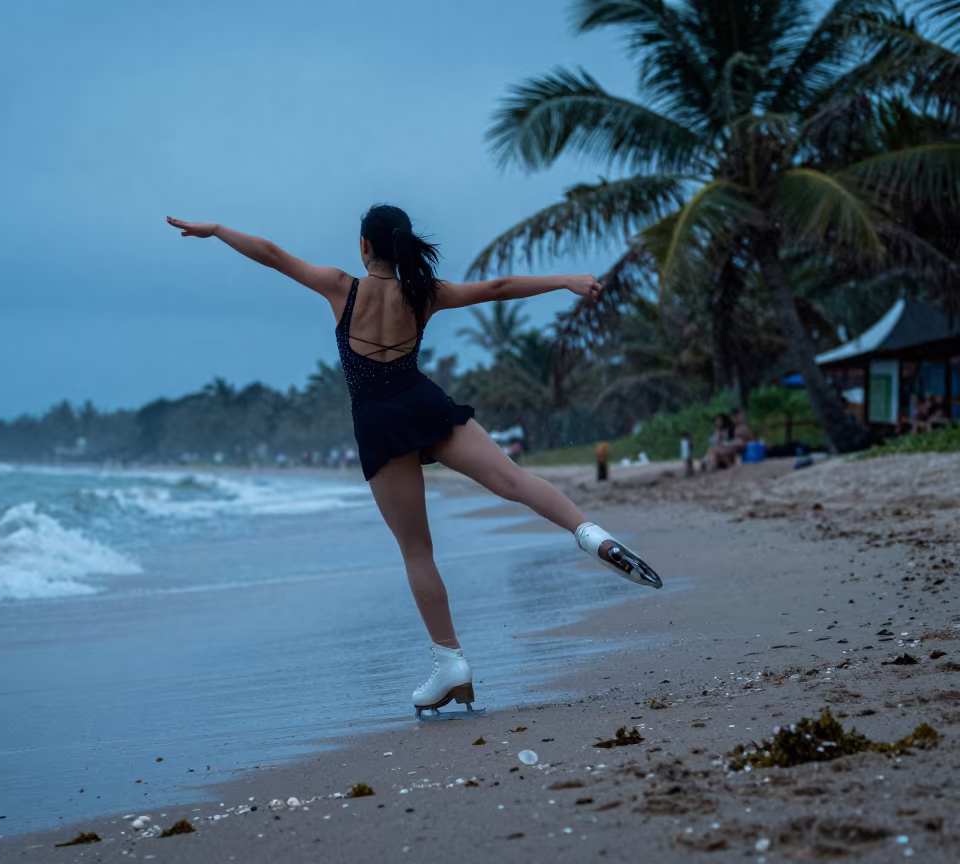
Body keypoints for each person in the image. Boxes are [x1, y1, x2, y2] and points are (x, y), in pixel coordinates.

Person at [166, 205, 663, 719]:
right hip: (424, 404)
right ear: (402, 244)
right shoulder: (422, 294)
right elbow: (497, 288)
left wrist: (219, 230)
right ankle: (591, 534)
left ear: (364, 247)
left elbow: (271, 255)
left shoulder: (341, 287)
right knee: (513, 479)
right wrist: (566, 281)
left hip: (379, 426)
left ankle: (450, 663)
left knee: (417, 550)